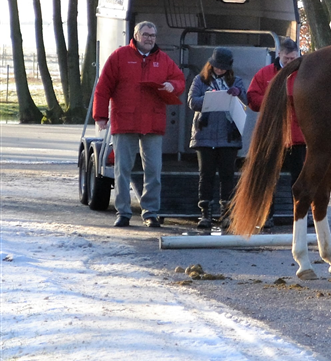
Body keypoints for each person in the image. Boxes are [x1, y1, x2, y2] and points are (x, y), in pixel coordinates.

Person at [93, 21, 185, 228]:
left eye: (153, 35)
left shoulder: (163, 60)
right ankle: (123, 212)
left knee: (153, 170)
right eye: (145, 35)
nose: (149, 38)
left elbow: (179, 79)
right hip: (125, 121)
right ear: (136, 35)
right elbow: (103, 87)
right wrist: (100, 116)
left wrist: (173, 85)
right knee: (122, 169)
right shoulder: (120, 56)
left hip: (153, 122)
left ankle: (150, 212)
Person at [248, 38, 306, 227]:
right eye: (288, 59)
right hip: (273, 136)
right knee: (268, 179)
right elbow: (252, 99)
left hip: (297, 137)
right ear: (279, 54)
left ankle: (300, 217)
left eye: (294, 59)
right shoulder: (265, 73)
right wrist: (274, 100)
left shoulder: (304, 74)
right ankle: (266, 216)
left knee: (299, 180)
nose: (291, 63)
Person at [187, 47, 247, 230]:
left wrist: (237, 92)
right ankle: (205, 214)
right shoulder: (200, 80)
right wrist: (210, 98)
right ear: (211, 65)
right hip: (205, 135)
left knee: (227, 176)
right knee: (206, 175)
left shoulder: (236, 80)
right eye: (217, 67)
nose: (219, 70)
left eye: (223, 68)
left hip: (228, 136)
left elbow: (247, 101)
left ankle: (226, 214)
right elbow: (191, 102)